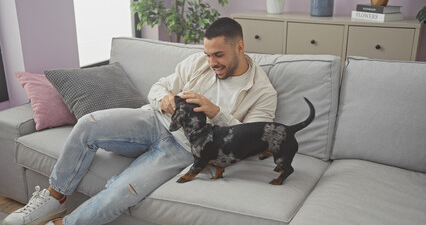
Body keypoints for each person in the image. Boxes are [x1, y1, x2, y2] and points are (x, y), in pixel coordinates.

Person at [3, 17, 277, 225]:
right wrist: (166, 99)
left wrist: (216, 112)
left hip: (184, 149)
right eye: (208, 54)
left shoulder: (262, 92)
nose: (212, 62)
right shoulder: (198, 63)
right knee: (88, 123)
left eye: (219, 55)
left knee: (122, 191)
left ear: (240, 47)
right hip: (154, 120)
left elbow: (251, 142)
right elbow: (158, 87)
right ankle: (54, 198)